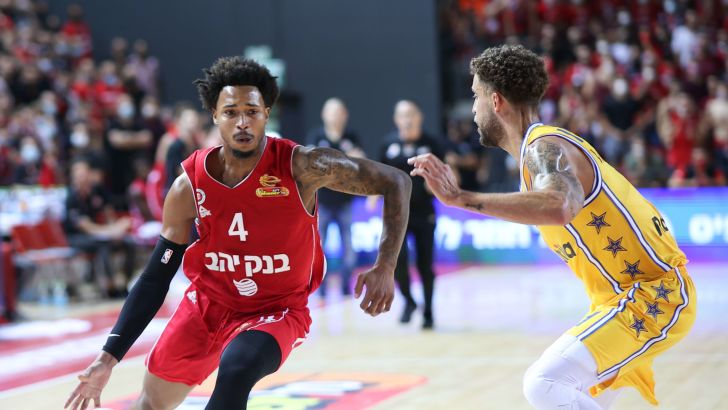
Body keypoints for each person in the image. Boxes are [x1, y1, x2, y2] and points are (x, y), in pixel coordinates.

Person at [65, 56, 411, 410]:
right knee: (150, 403)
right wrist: (108, 357)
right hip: (207, 305)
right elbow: (157, 275)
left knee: (237, 367)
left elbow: (396, 182)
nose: (242, 122)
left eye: (252, 111)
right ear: (215, 115)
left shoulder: (302, 166)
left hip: (276, 310)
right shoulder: (189, 186)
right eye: (231, 112)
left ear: (266, 114)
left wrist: (386, 265)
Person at [408, 45, 696, 409]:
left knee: (544, 383)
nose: (474, 110)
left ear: (496, 101)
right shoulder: (540, 150)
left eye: (476, 96)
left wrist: (460, 198)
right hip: (622, 300)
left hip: (652, 296)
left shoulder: (544, 146)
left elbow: (559, 205)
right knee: (569, 394)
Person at [378, 100, 444, 329]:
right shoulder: (388, 144)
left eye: (411, 115)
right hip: (396, 215)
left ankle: (429, 311)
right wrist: (373, 196)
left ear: (419, 117)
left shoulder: (431, 143)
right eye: (402, 115)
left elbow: (444, 174)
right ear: (396, 119)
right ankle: (408, 301)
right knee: (397, 261)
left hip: (424, 213)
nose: (407, 120)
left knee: (426, 265)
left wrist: (436, 185)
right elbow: (378, 176)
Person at [306, 98, 364, 296]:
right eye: (331, 112)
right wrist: (344, 159)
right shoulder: (316, 136)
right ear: (324, 115)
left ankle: (345, 286)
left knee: (349, 251)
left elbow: (360, 164)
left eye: (339, 112)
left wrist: (337, 161)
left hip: (345, 201)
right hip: (321, 202)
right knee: (318, 248)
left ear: (345, 115)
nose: (335, 116)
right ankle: (320, 288)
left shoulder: (352, 137)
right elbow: (310, 164)